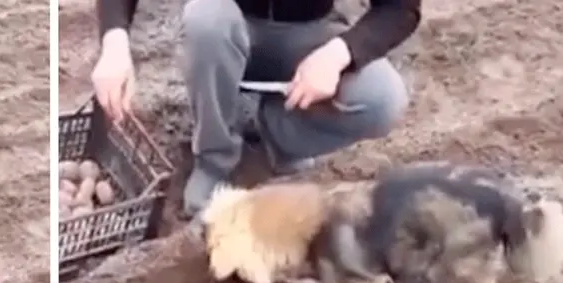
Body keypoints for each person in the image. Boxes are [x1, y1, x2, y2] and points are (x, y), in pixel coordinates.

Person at [91, 0, 421, 219]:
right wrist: (114, 43)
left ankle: (278, 132)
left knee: (382, 99)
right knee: (206, 19)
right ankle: (214, 159)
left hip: (309, 34)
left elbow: (401, 7)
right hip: (226, 27)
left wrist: (341, 52)